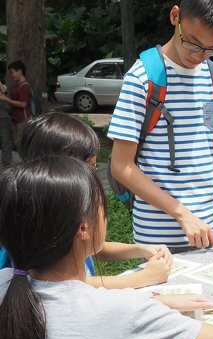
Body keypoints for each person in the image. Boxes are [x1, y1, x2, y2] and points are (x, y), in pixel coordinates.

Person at [0, 155, 213, 339]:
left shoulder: (7, 282)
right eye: (101, 206)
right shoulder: (123, 311)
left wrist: (154, 301)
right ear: (84, 228)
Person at [108, 0, 213, 251]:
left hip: (209, 234)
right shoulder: (142, 79)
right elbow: (120, 166)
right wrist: (182, 214)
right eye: (192, 43)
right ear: (175, 16)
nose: (198, 56)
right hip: (157, 238)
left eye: (211, 49)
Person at [19, 112, 173, 290]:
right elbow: (63, 284)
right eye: (89, 167)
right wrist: (143, 278)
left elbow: (96, 247)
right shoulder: (34, 218)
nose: (94, 176)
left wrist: (140, 249)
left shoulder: (55, 203)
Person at [0, 60, 31, 153]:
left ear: (20, 71)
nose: (11, 75)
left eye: (12, 72)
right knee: (18, 144)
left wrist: (6, 100)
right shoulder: (16, 86)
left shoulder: (25, 86)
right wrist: (4, 96)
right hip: (15, 118)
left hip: (22, 120)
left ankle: (28, 164)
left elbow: (23, 104)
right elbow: (13, 100)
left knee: (23, 144)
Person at [0, 80, 12, 170]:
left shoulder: (2, 87)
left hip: (3, 116)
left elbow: (5, 94)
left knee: (5, 140)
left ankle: (7, 163)